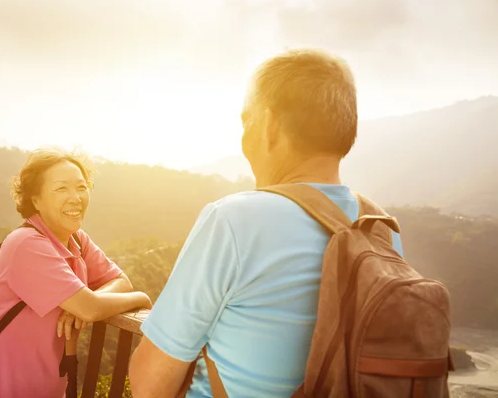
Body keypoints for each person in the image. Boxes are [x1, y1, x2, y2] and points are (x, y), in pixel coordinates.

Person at [128, 48, 404, 397]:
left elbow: (150, 385)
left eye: (247, 121)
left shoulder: (233, 220)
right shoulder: (380, 229)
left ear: (269, 125)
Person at [0, 147, 152, 398]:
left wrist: (86, 301)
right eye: (62, 188)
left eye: (81, 187)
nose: (75, 197)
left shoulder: (78, 240)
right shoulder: (26, 244)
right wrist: (139, 299)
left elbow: (118, 281)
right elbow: (90, 307)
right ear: (35, 200)